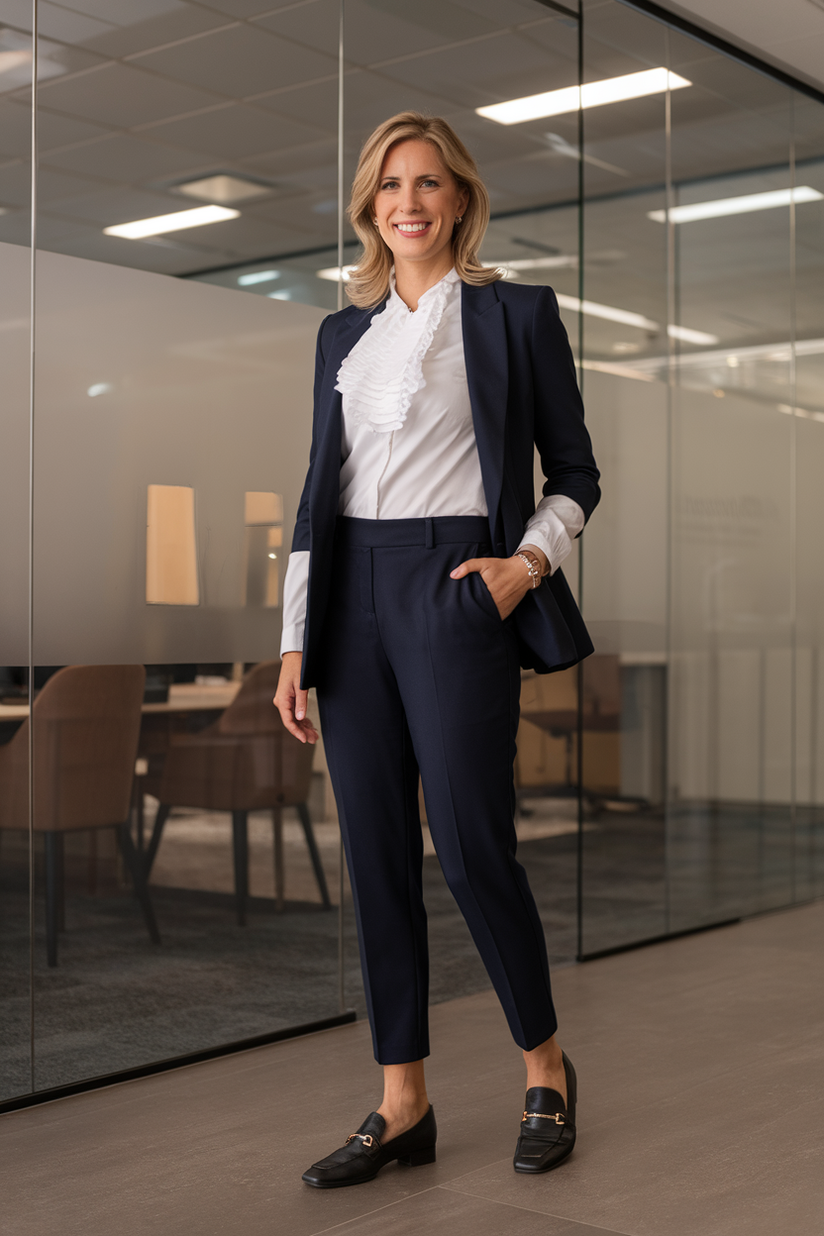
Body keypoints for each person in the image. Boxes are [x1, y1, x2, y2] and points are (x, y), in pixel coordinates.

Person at [274, 112, 600, 1188]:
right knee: (373, 857)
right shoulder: (339, 335)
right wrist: (293, 643)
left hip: (456, 585)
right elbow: (320, 498)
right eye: (387, 186)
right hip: (350, 595)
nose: (406, 202)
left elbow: (574, 475)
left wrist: (524, 566)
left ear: (458, 199)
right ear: (368, 207)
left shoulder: (514, 316)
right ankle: (399, 1099)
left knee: (468, 846)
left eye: (426, 183)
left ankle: (543, 1068)